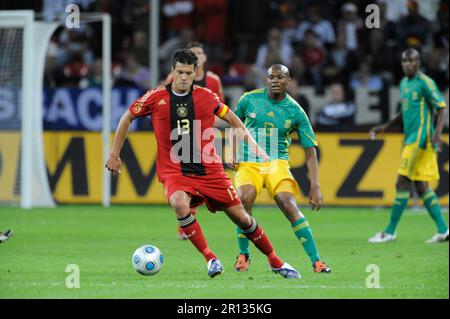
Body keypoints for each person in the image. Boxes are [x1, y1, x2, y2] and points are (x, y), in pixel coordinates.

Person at [105, 49, 300, 279]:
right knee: (179, 203)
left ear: (195, 73)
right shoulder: (155, 97)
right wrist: (115, 153)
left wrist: (254, 147)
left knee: (243, 218)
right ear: (172, 72)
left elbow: (232, 118)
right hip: (175, 170)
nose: (184, 77)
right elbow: (127, 116)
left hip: (209, 169)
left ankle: (275, 261)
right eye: (180, 72)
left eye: (189, 73)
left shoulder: (206, 96)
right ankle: (211, 258)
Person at [230, 64, 331, 273]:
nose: (275, 81)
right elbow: (234, 124)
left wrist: (315, 186)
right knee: (244, 200)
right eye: (271, 77)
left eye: (280, 77)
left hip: (277, 162)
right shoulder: (248, 99)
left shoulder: (296, 111)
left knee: (288, 203)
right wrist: (233, 151)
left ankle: (317, 261)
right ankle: (243, 255)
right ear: (266, 80)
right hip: (249, 161)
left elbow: (310, 150)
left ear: (289, 81)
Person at [368, 48, 448, 244]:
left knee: (401, 182)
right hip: (410, 138)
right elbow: (404, 113)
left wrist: (437, 135)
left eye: (411, 60)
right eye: (404, 61)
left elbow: (441, 108)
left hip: (420, 140)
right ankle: (444, 230)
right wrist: (384, 127)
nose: (407, 64)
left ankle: (390, 232)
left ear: (419, 63)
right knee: (421, 186)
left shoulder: (425, 83)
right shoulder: (404, 83)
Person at [165, 42, 225, 240]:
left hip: (207, 135)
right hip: (183, 135)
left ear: (205, 57)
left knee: (210, 174)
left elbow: (220, 108)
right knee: (188, 178)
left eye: (200, 53)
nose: (197, 56)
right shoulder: (173, 79)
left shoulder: (213, 81)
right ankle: (185, 224)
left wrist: (207, 124)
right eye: (193, 53)